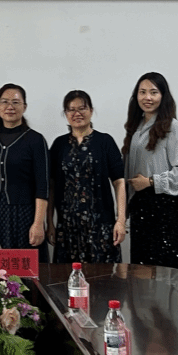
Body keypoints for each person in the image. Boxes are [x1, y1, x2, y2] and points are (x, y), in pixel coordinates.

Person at [122, 71, 178, 269]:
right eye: (142, 92)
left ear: (163, 96)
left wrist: (151, 181)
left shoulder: (173, 127)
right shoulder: (135, 128)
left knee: (164, 270)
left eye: (153, 92)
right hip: (140, 207)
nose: (148, 97)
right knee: (141, 271)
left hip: (163, 208)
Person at [47, 89, 126, 264]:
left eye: (82, 108)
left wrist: (121, 221)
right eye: (71, 109)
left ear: (91, 110)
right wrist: (50, 222)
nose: (77, 113)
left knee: (102, 276)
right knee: (66, 275)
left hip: (101, 225)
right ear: (65, 114)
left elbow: (119, 182)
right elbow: (51, 185)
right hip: (67, 226)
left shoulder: (105, 141)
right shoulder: (59, 145)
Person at [0, 83, 49, 260]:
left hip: (24, 216)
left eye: (15, 102)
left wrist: (38, 223)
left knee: (23, 268)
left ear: (25, 106)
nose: (10, 107)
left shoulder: (35, 140)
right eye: (4, 102)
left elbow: (42, 185)